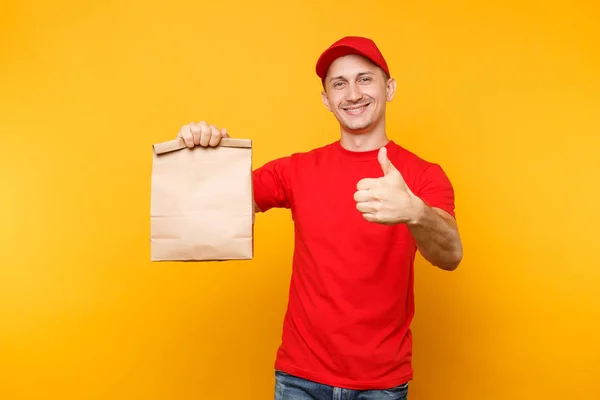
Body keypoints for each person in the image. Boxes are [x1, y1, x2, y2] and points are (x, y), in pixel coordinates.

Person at [176, 36, 463, 400]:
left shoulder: (424, 176)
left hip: (381, 383)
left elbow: (451, 256)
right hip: (300, 379)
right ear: (327, 99)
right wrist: (202, 156)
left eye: (365, 79)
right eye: (339, 84)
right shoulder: (296, 170)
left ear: (388, 88)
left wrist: (415, 212)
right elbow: (212, 208)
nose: (353, 93)